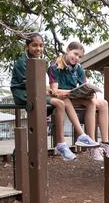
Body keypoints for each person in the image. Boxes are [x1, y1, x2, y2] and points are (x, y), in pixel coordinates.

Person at [10, 33, 86, 161]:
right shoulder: (22, 62)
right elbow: (29, 84)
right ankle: (61, 143)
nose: (38, 49)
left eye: (41, 46)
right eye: (34, 45)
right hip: (22, 93)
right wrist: (51, 91)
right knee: (58, 102)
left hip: (35, 92)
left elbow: (38, 85)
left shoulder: (38, 61)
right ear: (27, 46)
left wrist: (51, 92)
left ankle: (65, 142)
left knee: (62, 102)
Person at [48, 41, 109, 162]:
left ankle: (105, 143)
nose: (76, 58)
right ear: (67, 50)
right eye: (75, 54)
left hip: (74, 96)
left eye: (80, 57)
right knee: (89, 102)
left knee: (102, 103)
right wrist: (69, 92)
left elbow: (83, 85)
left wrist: (89, 93)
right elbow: (54, 90)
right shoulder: (55, 66)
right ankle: (91, 146)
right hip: (63, 97)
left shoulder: (79, 68)